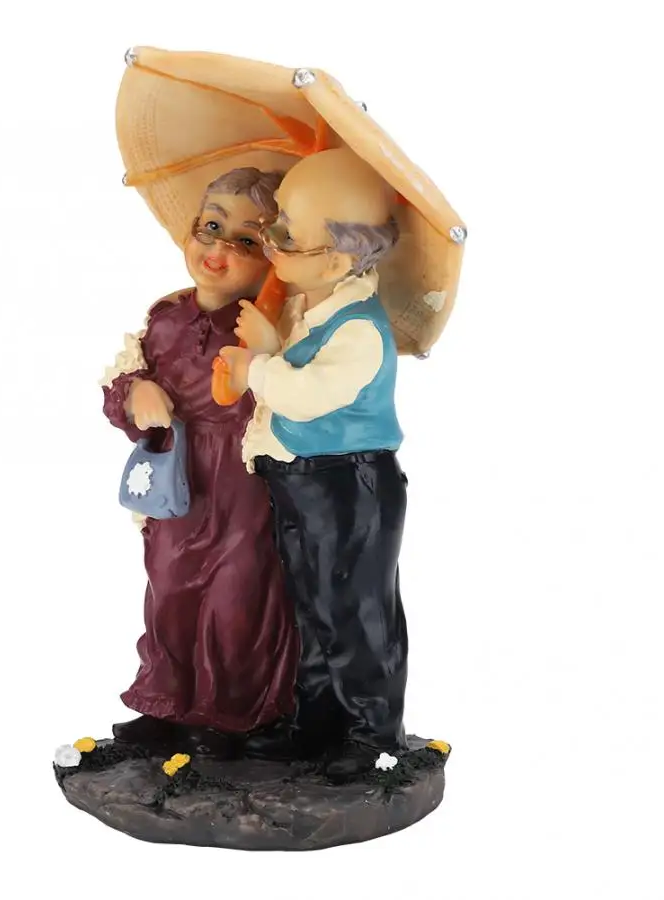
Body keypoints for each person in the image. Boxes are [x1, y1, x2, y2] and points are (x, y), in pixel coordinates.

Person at [220, 149, 409, 780]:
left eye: (285, 235)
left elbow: (306, 394)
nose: (270, 241)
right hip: (301, 483)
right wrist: (273, 343)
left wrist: (259, 366)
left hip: (346, 486)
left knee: (353, 611)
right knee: (310, 607)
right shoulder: (311, 308)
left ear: (335, 261)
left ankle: (371, 732)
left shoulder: (358, 330)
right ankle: (316, 720)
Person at [101, 167, 297, 758]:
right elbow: (123, 381)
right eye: (211, 227)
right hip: (179, 477)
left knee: (237, 594)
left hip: (243, 483)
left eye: (246, 240)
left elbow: (298, 397)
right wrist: (136, 393)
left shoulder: (272, 326)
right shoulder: (165, 317)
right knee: (170, 586)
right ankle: (166, 699)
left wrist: (269, 353)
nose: (218, 249)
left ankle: (229, 710)